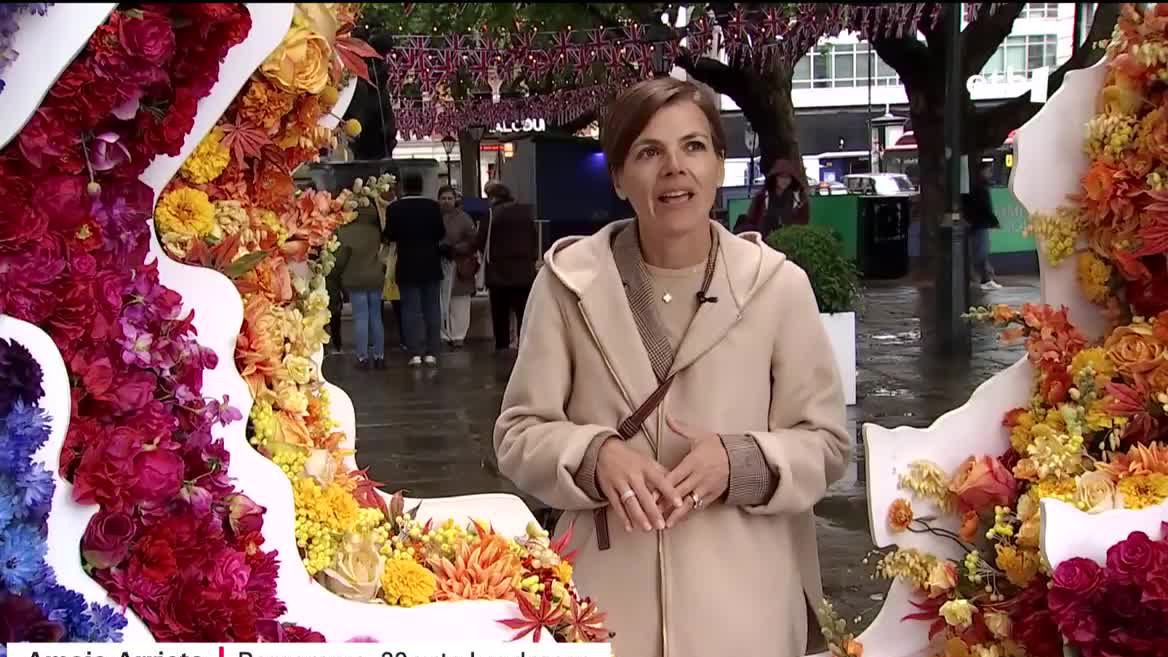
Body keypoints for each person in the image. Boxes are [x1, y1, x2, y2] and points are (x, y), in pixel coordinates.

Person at [493, 78, 850, 657]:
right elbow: (518, 433)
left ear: (719, 166)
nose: (674, 169)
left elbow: (827, 445)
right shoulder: (566, 285)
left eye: (693, 147)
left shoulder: (778, 287)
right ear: (618, 178)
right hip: (601, 608)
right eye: (648, 152)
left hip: (745, 607)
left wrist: (739, 462)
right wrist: (595, 456)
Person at [384, 172, 445, 367]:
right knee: (432, 309)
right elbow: (440, 233)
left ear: (403, 187)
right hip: (431, 263)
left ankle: (415, 352)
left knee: (410, 310)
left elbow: (390, 235)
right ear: (422, 186)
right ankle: (432, 351)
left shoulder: (394, 208)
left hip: (407, 264)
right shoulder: (433, 207)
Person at [476, 182, 538, 351]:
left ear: (492, 197)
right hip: (523, 273)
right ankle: (525, 347)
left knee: (500, 315)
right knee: (523, 313)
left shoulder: (490, 215)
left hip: (498, 274)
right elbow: (533, 239)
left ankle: (502, 348)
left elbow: (481, 241)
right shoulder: (525, 214)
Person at [333, 203, 386, 369]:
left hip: (355, 278)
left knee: (361, 318)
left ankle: (362, 357)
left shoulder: (345, 232)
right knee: (376, 317)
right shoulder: (376, 231)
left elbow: (340, 259)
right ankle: (379, 356)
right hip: (375, 277)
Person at [437, 185, 478, 348]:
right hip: (439, 264)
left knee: (460, 302)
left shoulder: (464, 218)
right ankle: (443, 334)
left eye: (449, 198)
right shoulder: (434, 217)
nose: (446, 201)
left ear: (455, 200)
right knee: (440, 301)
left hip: (460, 265)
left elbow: (473, 240)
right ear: (438, 200)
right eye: (443, 198)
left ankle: (458, 335)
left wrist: (455, 249)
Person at [736, 159, 810, 237]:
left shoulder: (799, 198)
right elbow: (751, 220)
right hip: (764, 239)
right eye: (781, 176)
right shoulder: (761, 197)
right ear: (775, 177)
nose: (785, 180)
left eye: (788, 177)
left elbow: (803, 222)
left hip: (789, 239)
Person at [963, 162, 1002, 290]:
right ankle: (985, 279)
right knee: (981, 252)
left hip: (976, 224)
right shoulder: (980, 187)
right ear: (982, 172)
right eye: (988, 171)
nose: (990, 173)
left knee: (979, 252)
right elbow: (985, 206)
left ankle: (984, 278)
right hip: (980, 224)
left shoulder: (975, 186)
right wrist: (994, 221)